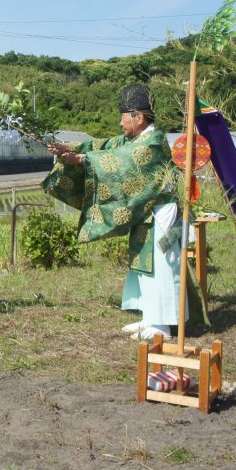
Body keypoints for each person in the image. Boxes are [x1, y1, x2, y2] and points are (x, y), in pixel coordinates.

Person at [44, 85, 185, 341]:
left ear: (138, 117)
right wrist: (68, 146)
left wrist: (84, 160)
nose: (120, 122)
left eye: (123, 115)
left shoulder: (152, 141)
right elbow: (106, 145)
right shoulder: (134, 139)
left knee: (161, 267)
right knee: (144, 265)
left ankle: (162, 326)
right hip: (147, 213)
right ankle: (150, 317)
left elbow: (122, 158)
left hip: (161, 213)